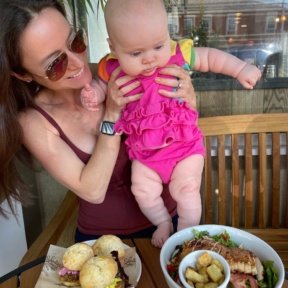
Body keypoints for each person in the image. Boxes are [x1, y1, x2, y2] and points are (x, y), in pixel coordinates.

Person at [0, 0, 196, 242]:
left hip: (172, 218)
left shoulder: (116, 70)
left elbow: (182, 132)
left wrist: (188, 98)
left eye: (76, 41)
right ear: (23, 74)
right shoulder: (34, 121)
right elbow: (92, 190)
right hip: (104, 242)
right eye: (55, 63)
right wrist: (112, 116)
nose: (78, 62)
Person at [80, 0, 262, 247]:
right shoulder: (112, 69)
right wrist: (94, 93)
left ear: (168, 34)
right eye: (136, 53)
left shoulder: (178, 55)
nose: (150, 59)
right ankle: (163, 222)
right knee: (142, 190)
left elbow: (210, 58)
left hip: (184, 148)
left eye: (158, 45)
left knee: (186, 192)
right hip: (145, 155)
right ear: (113, 47)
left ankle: (186, 234)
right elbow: (103, 87)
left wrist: (240, 68)